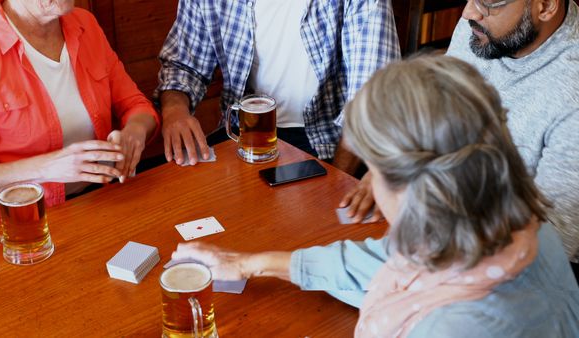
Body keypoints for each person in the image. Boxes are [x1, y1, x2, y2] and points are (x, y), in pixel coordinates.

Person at [170, 56, 579, 337]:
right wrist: (248, 264)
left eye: (372, 170)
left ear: (416, 190)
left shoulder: (450, 328)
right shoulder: (521, 227)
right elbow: (381, 262)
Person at [341, 0, 579, 277]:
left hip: (515, 270)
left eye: (488, 4)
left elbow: (551, 244)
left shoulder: (571, 93)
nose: (468, 13)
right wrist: (392, 165)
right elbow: (441, 111)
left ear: (546, 6)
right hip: (445, 225)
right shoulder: (483, 27)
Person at [0, 0, 160, 240]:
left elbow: (136, 105)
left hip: (97, 204)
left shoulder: (85, 24)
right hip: (12, 231)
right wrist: (48, 168)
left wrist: (134, 134)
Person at [155, 0, 399, 169]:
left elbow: (372, 98)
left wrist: (339, 180)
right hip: (244, 138)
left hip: (331, 143)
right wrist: (174, 110)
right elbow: (183, 65)